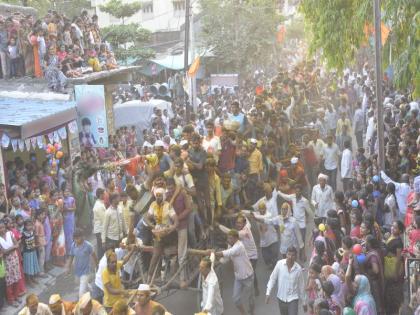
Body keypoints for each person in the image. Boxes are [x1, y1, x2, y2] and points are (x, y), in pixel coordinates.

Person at [214, 229, 255, 315]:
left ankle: (251, 311)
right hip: (238, 277)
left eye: (231, 238)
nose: (229, 240)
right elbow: (226, 258)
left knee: (250, 298)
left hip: (248, 276)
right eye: (228, 238)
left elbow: (228, 253)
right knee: (236, 299)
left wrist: (214, 253)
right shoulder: (231, 245)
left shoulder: (239, 246)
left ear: (236, 238)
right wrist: (217, 262)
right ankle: (243, 313)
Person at [217, 214, 259, 295]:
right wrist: (241, 213)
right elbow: (229, 251)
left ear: (244, 224)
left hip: (252, 256)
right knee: (250, 273)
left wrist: (219, 226)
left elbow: (229, 232)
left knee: (251, 273)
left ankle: (254, 289)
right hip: (245, 256)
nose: (238, 224)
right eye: (237, 222)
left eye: (240, 223)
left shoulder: (244, 232)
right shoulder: (245, 227)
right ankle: (252, 289)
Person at [143, 187, 179, 283]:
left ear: (163, 196)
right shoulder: (153, 205)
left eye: (160, 196)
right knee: (155, 255)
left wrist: (172, 228)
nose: (158, 198)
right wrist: (152, 226)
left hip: (168, 232)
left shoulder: (168, 205)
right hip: (158, 233)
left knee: (172, 253)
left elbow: (176, 221)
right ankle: (149, 278)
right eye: (157, 196)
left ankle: (172, 270)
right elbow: (146, 218)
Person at [266, 246, 307, 315]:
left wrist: (304, 302)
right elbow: (272, 278)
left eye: (293, 255)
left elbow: (301, 286)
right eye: (289, 254)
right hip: (281, 298)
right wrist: (268, 292)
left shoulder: (298, 269)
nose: (290, 257)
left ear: (296, 256)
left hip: (293, 298)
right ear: (286, 254)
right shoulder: (279, 264)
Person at [276, 184, 312, 257]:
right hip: (294, 223)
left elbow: (309, 212)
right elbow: (285, 196)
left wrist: (312, 218)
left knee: (301, 241)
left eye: (299, 191)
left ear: (301, 191)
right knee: (295, 240)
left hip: (302, 225)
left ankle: (302, 254)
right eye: (296, 191)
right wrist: (279, 192)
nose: (297, 192)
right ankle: (294, 254)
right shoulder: (293, 197)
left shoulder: (305, 201)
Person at [66, 228, 98, 298]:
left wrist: (96, 265)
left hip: (86, 271)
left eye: (78, 238)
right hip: (77, 270)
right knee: (78, 282)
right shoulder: (73, 246)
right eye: (75, 238)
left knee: (81, 293)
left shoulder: (88, 246)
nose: (76, 240)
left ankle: (82, 306)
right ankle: (89, 288)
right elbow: (71, 257)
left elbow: (94, 255)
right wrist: (68, 267)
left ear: (83, 237)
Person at [0, 219, 25, 307]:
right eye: (0, 228)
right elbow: (3, 252)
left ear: (5, 227)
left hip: (14, 259)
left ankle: (16, 295)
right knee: (9, 282)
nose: (1, 229)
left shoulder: (10, 233)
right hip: (6, 263)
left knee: (16, 279)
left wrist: (10, 249)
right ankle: (11, 300)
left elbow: (17, 245)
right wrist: (12, 247)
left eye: (2, 227)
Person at [21, 219, 40, 287]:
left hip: (33, 251)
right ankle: (28, 280)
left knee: (33, 265)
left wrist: (36, 246)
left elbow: (35, 240)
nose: (30, 227)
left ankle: (32, 278)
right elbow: (22, 244)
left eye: (31, 225)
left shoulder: (32, 232)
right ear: (25, 226)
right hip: (27, 252)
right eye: (28, 225)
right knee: (28, 267)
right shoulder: (23, 234)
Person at [93, 188, 106, 259]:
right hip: (100, 229)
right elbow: (104, 220)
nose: (105, 195)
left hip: (99, 229)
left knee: (100, 248)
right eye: (104, 193)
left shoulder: (100, 203)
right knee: (101, 249)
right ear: (101, 195)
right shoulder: (99, 205)